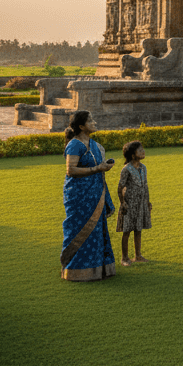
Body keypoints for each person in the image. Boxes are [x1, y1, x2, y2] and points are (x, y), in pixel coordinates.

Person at [60, 110, 116, 281]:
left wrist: (103, 166)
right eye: (90, 120)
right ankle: (76, 269)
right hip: (79, 195)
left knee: (97, 230)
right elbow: (70, 170)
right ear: (81, 126)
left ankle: (97, 269)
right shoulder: (75, 145)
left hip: (95, 193)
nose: (94, 122)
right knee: (79, 230)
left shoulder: (94, 145)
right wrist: (97, 169)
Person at [116, 141, 152, 266]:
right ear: (132, 155)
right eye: (140, 150)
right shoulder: (126, 169)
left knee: (138, 229)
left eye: (143, 149)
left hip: (141, 203)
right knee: (127, 231)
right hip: (129, 204)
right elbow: (120, 187)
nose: (143, 151)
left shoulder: (143, 168)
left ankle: (138, 255)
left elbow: (145, 186)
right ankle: (124, 258)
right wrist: (123, 203)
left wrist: (147, 202)